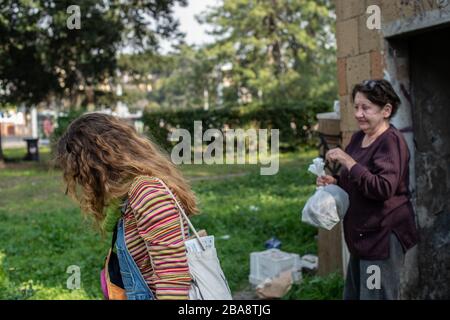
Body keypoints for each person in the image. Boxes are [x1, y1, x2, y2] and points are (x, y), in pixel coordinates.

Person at [56, 113, 197, 300]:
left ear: (97, 163)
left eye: (81, 172)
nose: (83, 181)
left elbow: (172, 280)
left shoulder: (148, 194)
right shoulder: (125, 195)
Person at [317, 79, 418, 300]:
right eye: (356, 107)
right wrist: (334, 181)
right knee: (355, 295)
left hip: (382, 238)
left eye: (366, 108)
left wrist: (347, 160)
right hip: (362, 237)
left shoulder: (391, 142)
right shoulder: (358, 138)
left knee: (375, 296)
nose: (359, 114)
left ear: (386, 110)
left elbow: (382, 188)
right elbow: (357, 180)